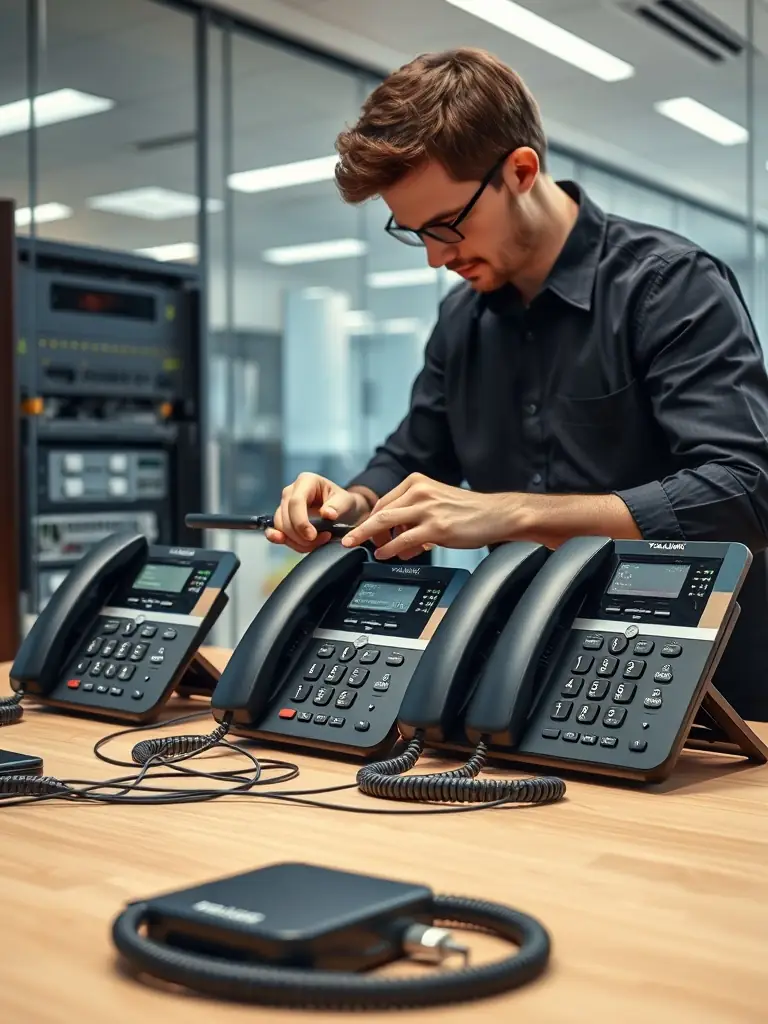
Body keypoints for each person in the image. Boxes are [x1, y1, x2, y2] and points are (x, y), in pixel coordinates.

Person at [267, 47, 768, 721]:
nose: (439, 257)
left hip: (705, 697)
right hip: (523, 682)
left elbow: (744, 489)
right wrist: (351, 502)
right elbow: (414, 457)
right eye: (415, 234)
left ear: (521, 171)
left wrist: (514, 514)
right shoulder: (462, 320)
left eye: (448, 225)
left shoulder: (667, 287)